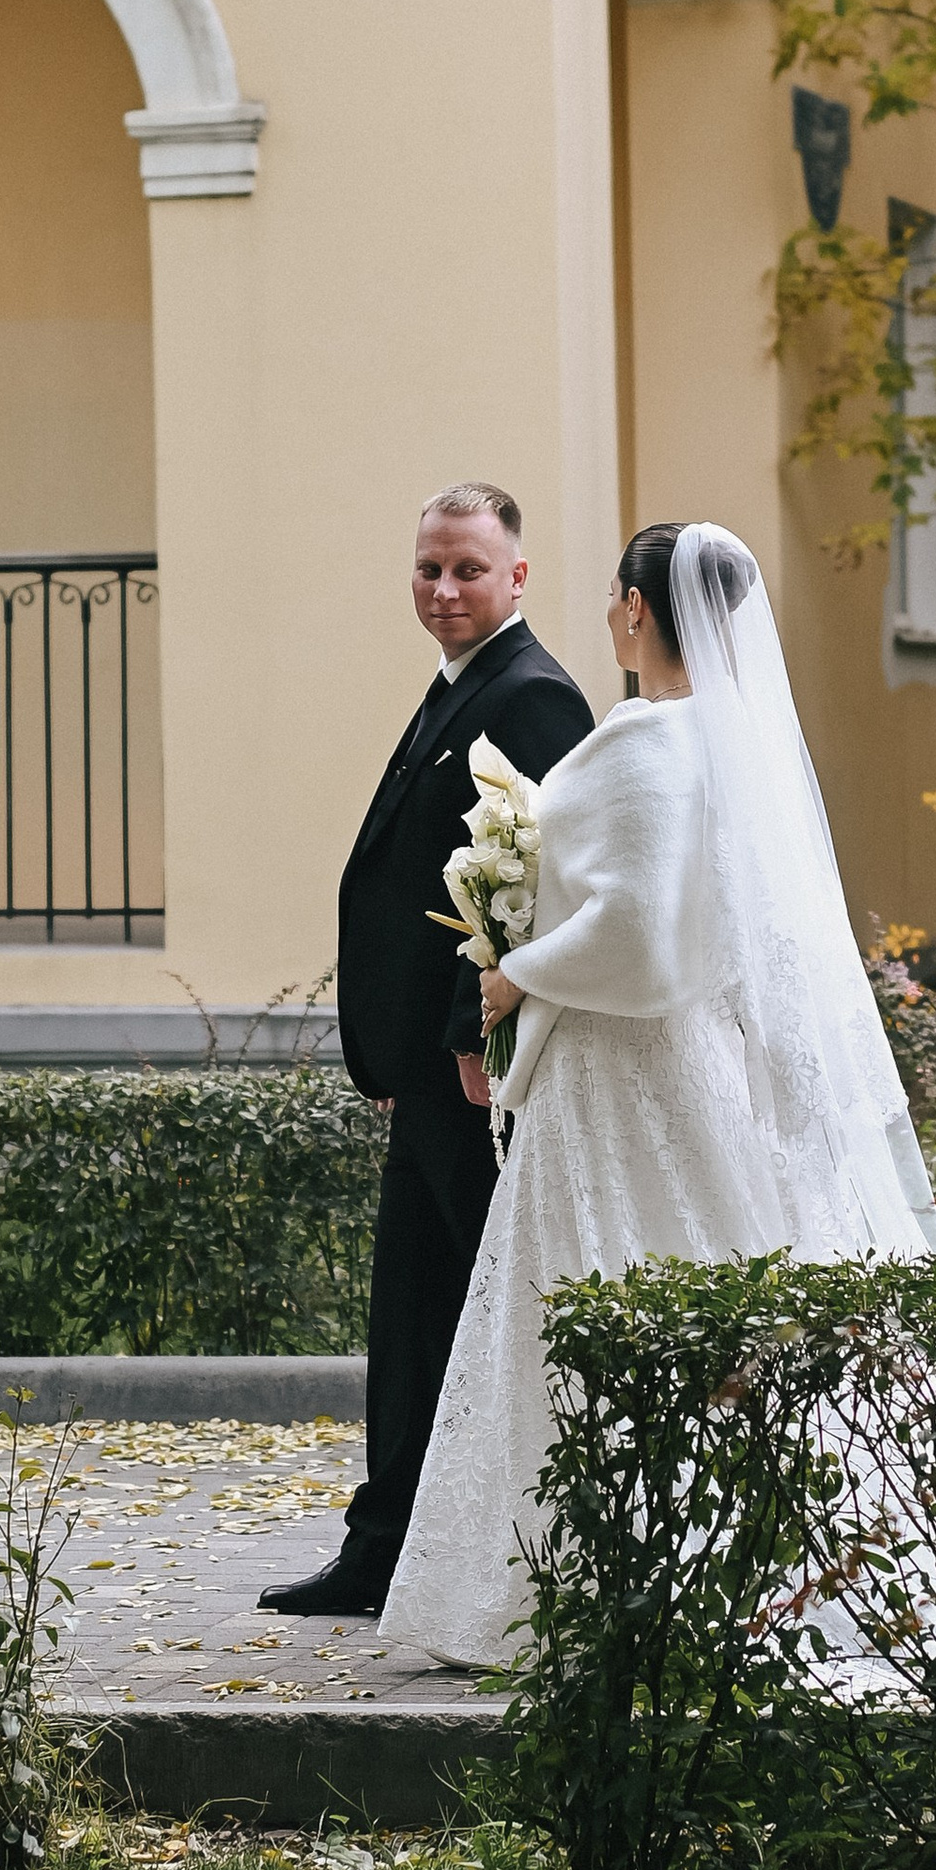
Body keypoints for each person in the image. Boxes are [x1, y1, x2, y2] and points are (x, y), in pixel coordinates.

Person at [378, 518, 936, 1669]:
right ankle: (711, 1562)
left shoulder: (645, 743)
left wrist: (509, 970)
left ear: (639, 609)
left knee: (588, 1306)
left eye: (611, 596)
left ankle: (582, 1578)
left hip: (616, 1074)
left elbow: (638, 938)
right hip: (682, 1067)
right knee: (682, 1298)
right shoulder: (727, 745)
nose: (605, 614)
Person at [258, 481, 595, 1621]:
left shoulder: (536, 694)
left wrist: (469, 1035)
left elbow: (539, 885)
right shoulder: (466, 680)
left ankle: (468, 1543)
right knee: (412, 1309)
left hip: (473, 1072)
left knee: (471, 1309)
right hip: (427, 1072)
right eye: (426, 569)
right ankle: (386, 1546)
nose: (443, 589)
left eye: (465, 570)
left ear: (517, 575)